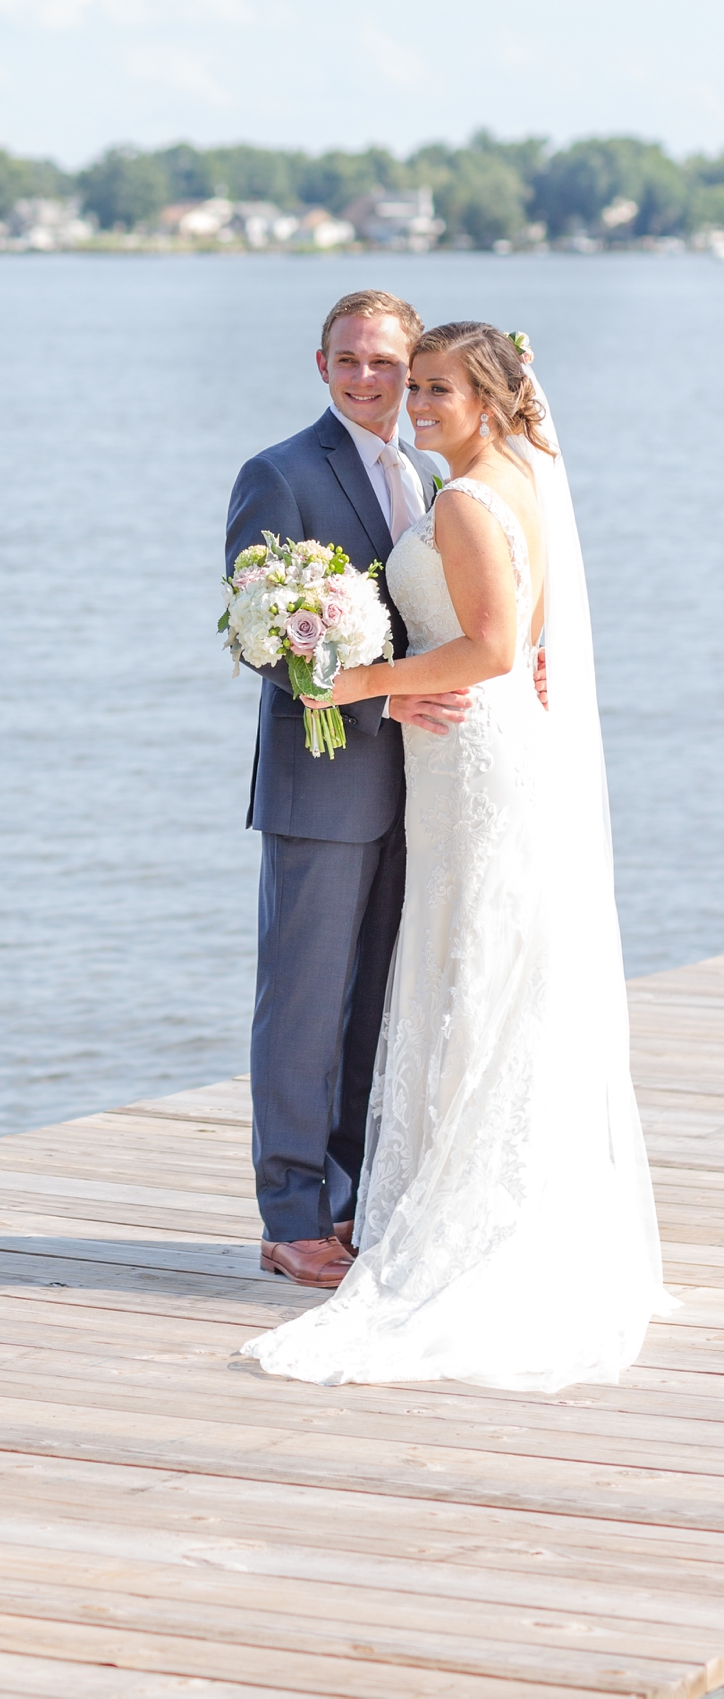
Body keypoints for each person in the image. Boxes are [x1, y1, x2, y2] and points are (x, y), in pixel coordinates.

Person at [242, 324, 669, 1390]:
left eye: (433, 385)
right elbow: (508, 635)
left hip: (466, 757)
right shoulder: (504, 474)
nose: (412, 399)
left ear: (486, 396)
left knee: (471, 973)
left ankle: (471, 1215)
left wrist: (356, 685)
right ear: (327, 366)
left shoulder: (469, 497)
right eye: (401, 379)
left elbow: (488, 641)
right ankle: (373, 1205)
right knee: (465, 973)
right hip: (449, 765)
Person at [226, 290, 458, 1289]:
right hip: (323, 782)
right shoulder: (278, 474)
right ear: (320, 364)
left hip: (426, 784)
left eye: (388, 364)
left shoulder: (432, 479)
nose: (369, 379)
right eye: (351, 360)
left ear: (415, 372)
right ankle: (290, 1216)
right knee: (305, 1007)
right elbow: (262, 638)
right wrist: (380, 707)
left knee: (377, 1007)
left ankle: (353, 1200)